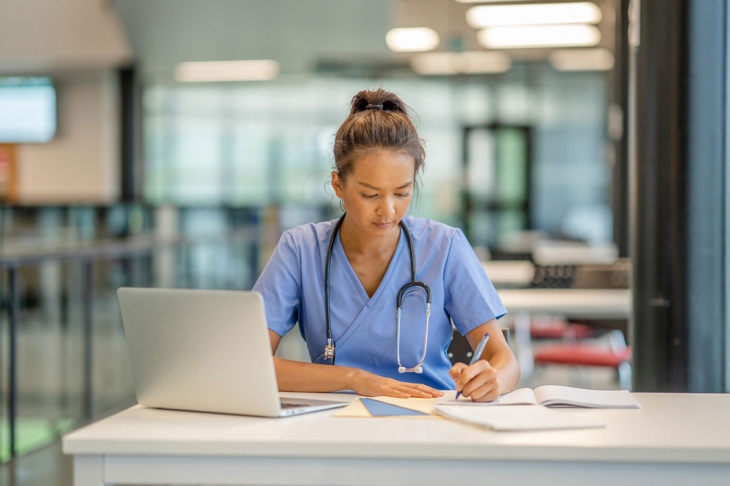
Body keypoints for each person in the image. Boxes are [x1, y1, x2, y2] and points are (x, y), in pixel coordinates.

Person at [253, 88, 519, 402]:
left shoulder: (444, 247)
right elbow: (252, 364)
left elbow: (504, 360)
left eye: (402, 193)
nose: (388, 210)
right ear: (338, 184)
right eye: (370, 194)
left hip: (430, 415)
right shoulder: (300, 249)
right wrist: (354, 379)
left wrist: (492, 379)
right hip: (332, 418)